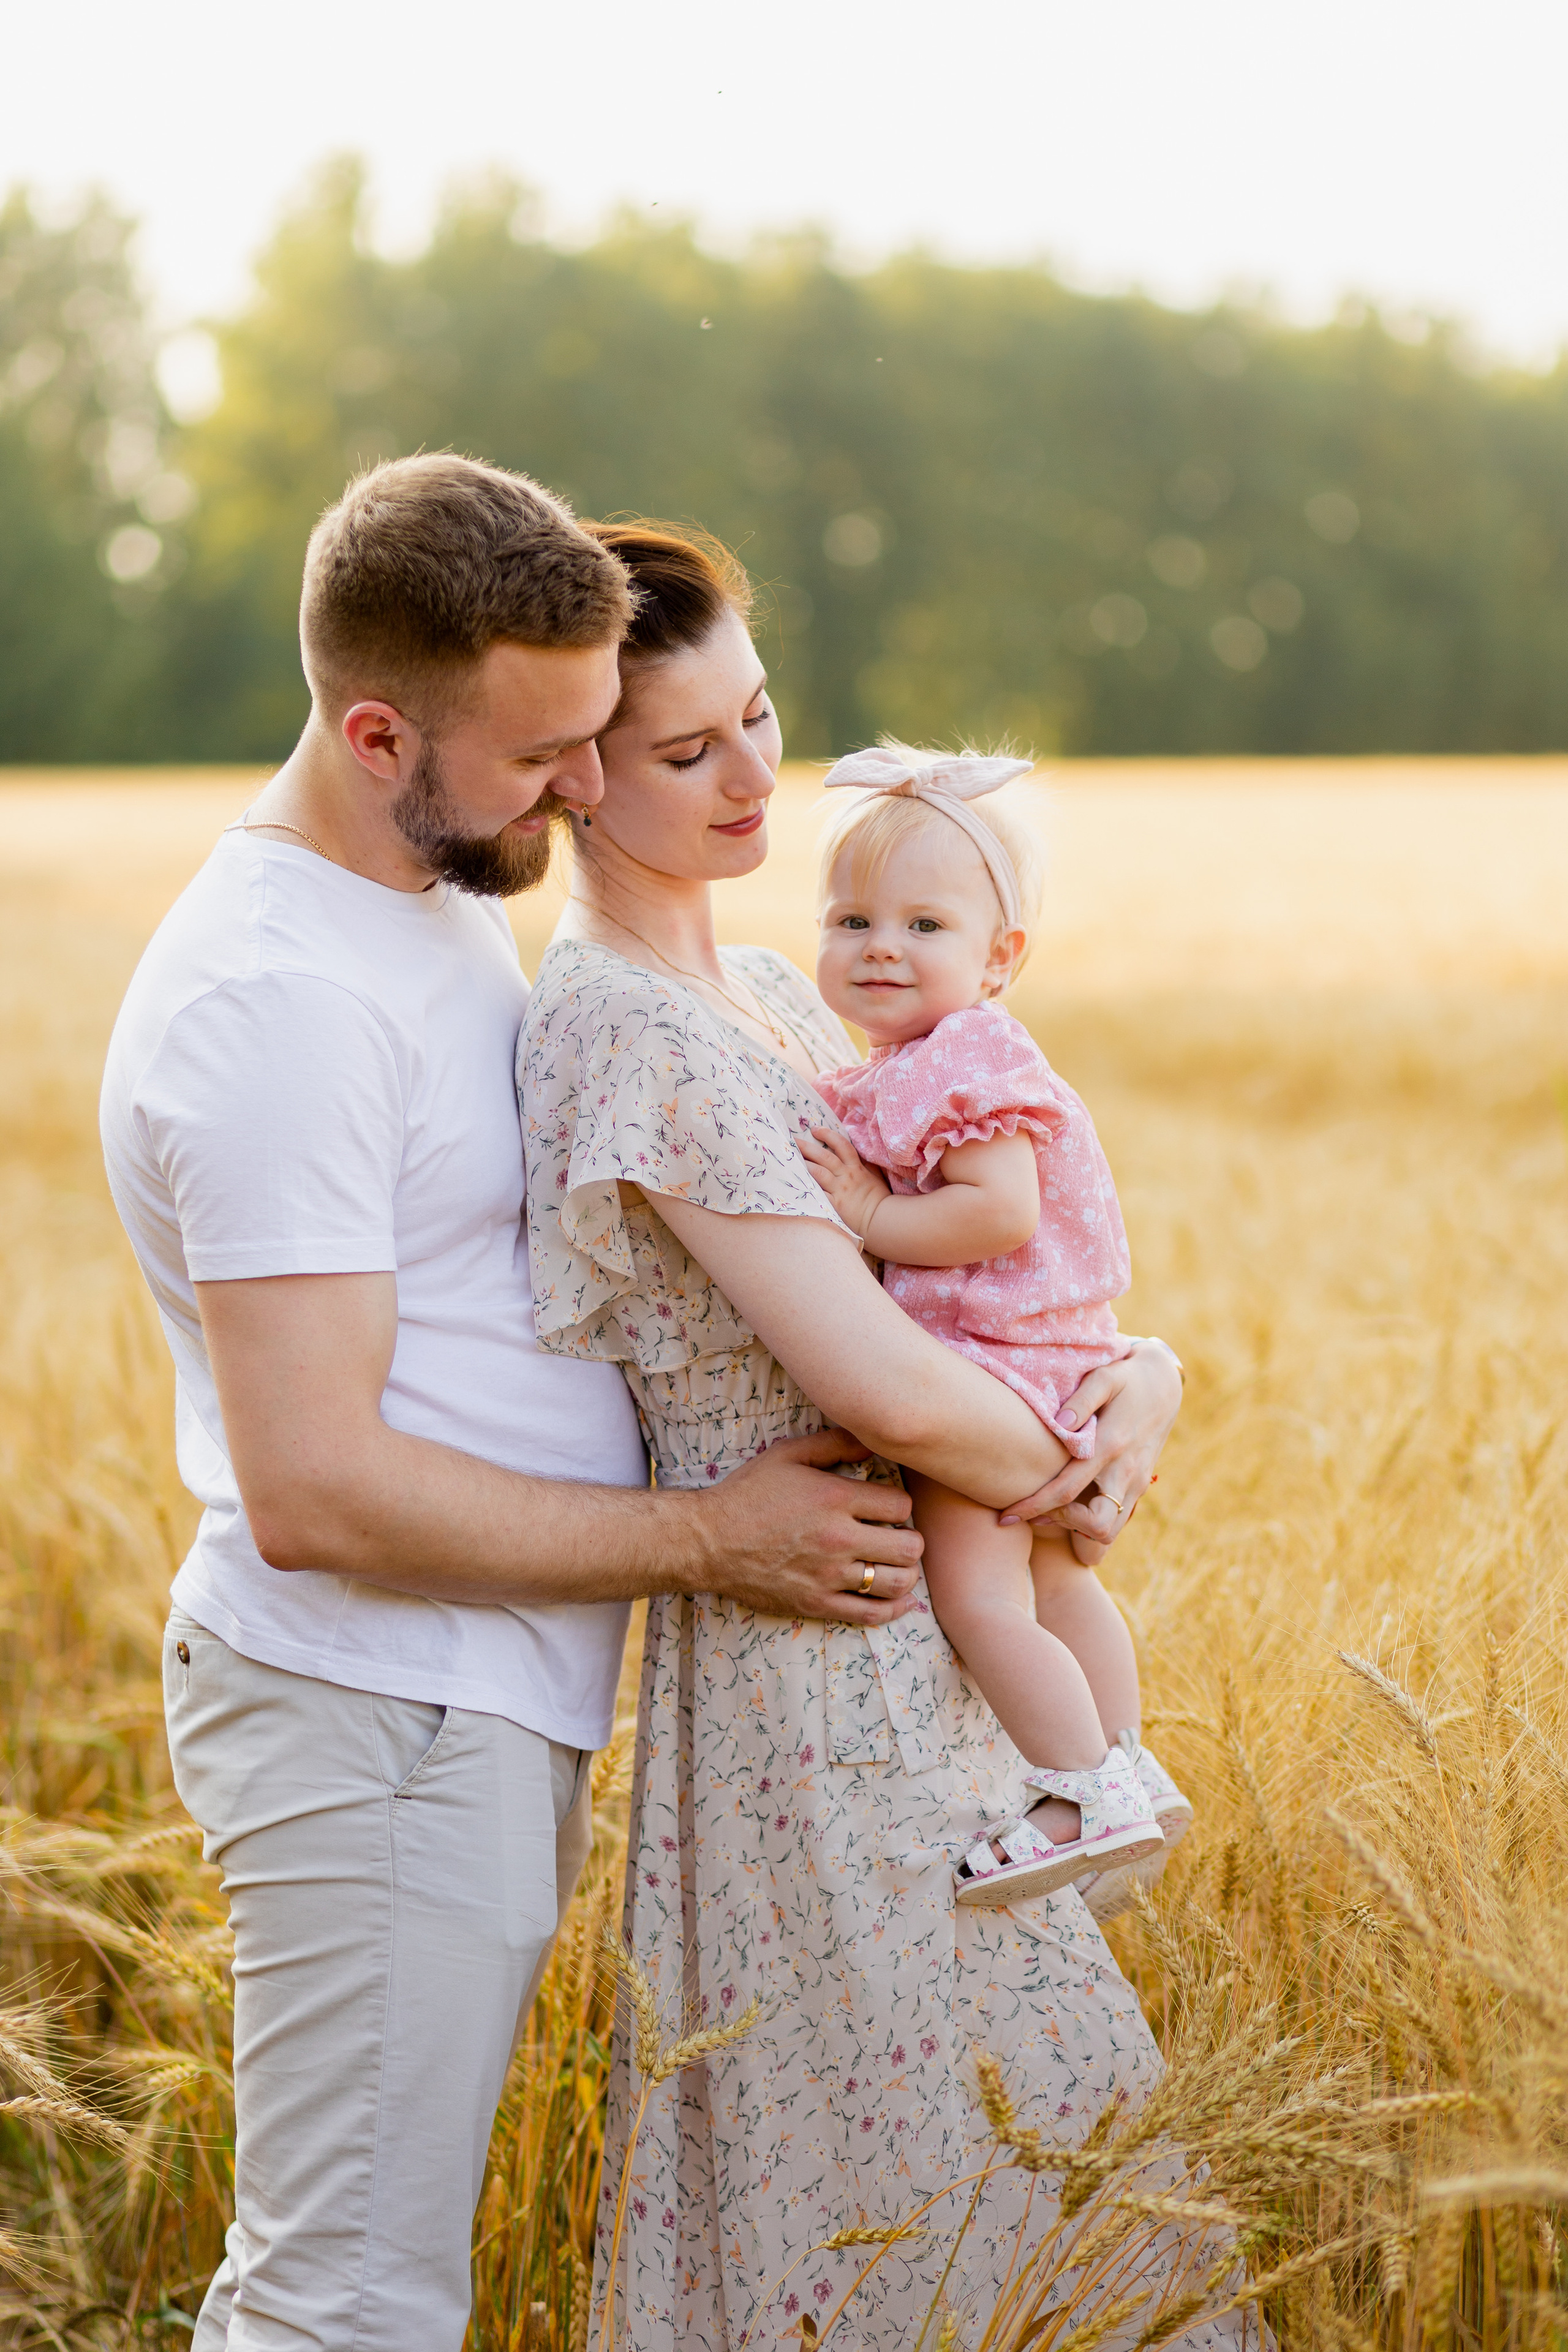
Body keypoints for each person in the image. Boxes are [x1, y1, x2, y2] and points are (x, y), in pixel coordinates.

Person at [99, 456, 950, 2351]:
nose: (584, 789)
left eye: (599, 739)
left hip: (462, 1699)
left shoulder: (419, 884)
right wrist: (713, 1540)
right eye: (541, 755)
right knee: (346, 2303)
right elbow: (313, 1489)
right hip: (379, 1714)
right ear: (376, 727)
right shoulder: (278, 1005)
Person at [519, 522, 1235, 2351]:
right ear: (570, 766)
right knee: (882, 2191)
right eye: (691, 754)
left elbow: (997, 1253)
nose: (762, 780)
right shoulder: (616, 1029)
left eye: (759, 716)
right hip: (803, 1690)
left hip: (928, 1660)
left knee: (1043, 2168)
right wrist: (1071, 1456)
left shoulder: (768, 992)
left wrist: (1136, 1376)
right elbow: (890, 1389)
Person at [801, 744, 1193, 1919]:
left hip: (995, 1365)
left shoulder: (959, 1057)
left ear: (999, 959)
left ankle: (1078, 1794)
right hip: (1051, 1355)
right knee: (1064, 1589)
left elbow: (1000, 1208)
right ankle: (1124, 1761)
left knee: (979, 1599)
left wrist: (869, 1211)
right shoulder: (919, 1058)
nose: (881, 945)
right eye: (852, 917)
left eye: (925, 924)